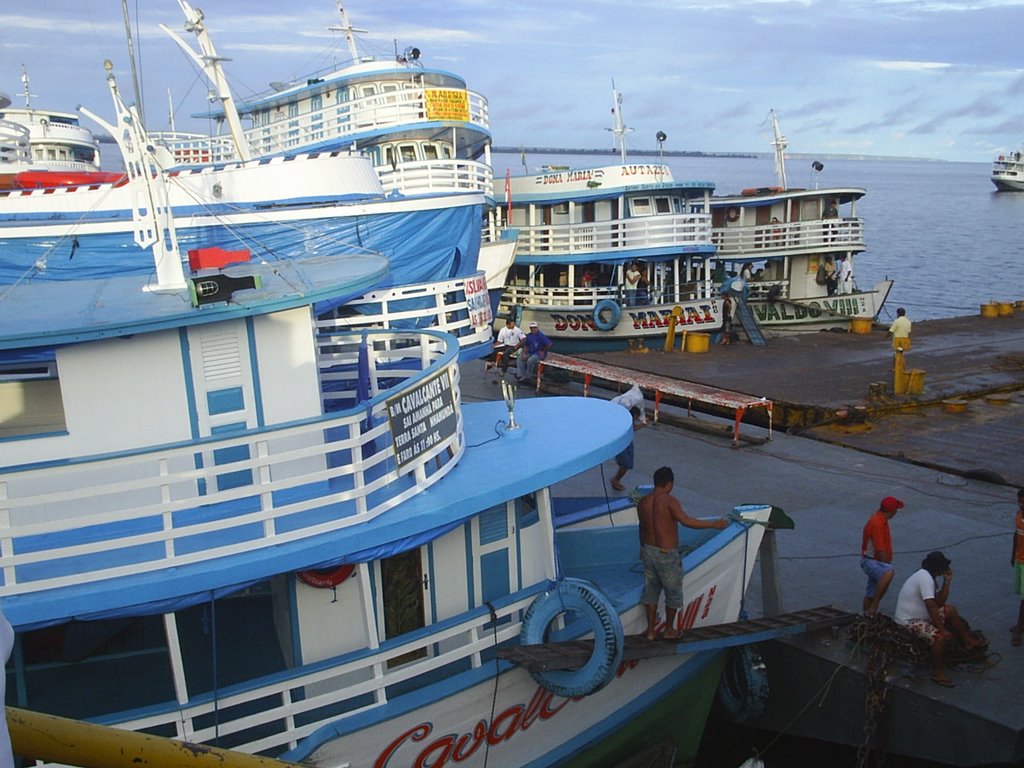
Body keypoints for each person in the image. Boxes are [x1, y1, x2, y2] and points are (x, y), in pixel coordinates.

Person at [637, 467, 729, 641]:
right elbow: (686, 521)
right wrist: (714, 524)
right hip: (666, 554)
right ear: (669, 484)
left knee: (651, 590)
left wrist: (642, 548)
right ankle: (669, 629)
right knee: (673, 593)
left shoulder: (643, 502)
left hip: (648, 551)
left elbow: (642, 528)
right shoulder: (669, 501)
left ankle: (650, 631)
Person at [894, 551, 984, 687]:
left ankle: (968, 641)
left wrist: (946, 582)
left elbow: (939, 603)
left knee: (951, 610)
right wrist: (942, 630)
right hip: (908, 620)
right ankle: (937, 673)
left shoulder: (928, 578)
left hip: (921, 615)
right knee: (939, 639)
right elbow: (932, 607)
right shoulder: (925, 579)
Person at [861, 496, 904, 617]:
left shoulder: (879, 520)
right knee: (888, 573)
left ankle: (867, 615)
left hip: (872, 560)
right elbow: (880, 549)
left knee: (870, 591)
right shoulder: (877, 523)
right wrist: (887, 564)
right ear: (892, 511)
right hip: (872, 561)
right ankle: (873, 608)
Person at [610, 405, 645, 491]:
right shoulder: (628, 420)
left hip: (627, 443)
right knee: (626, 464)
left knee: (627, 464)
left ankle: (616, 479)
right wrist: (642, 425)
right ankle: (615, 480)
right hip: (623, 444)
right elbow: (632, 428)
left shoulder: (628, 419)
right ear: (636, 415)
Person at [1011, 488, 1024, 646]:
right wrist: (1013, 554)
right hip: (1019, 560)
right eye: (1020, 501)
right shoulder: (1018, 515)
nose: (1021, 504)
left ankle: (1019, 627)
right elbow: (1016, 534)